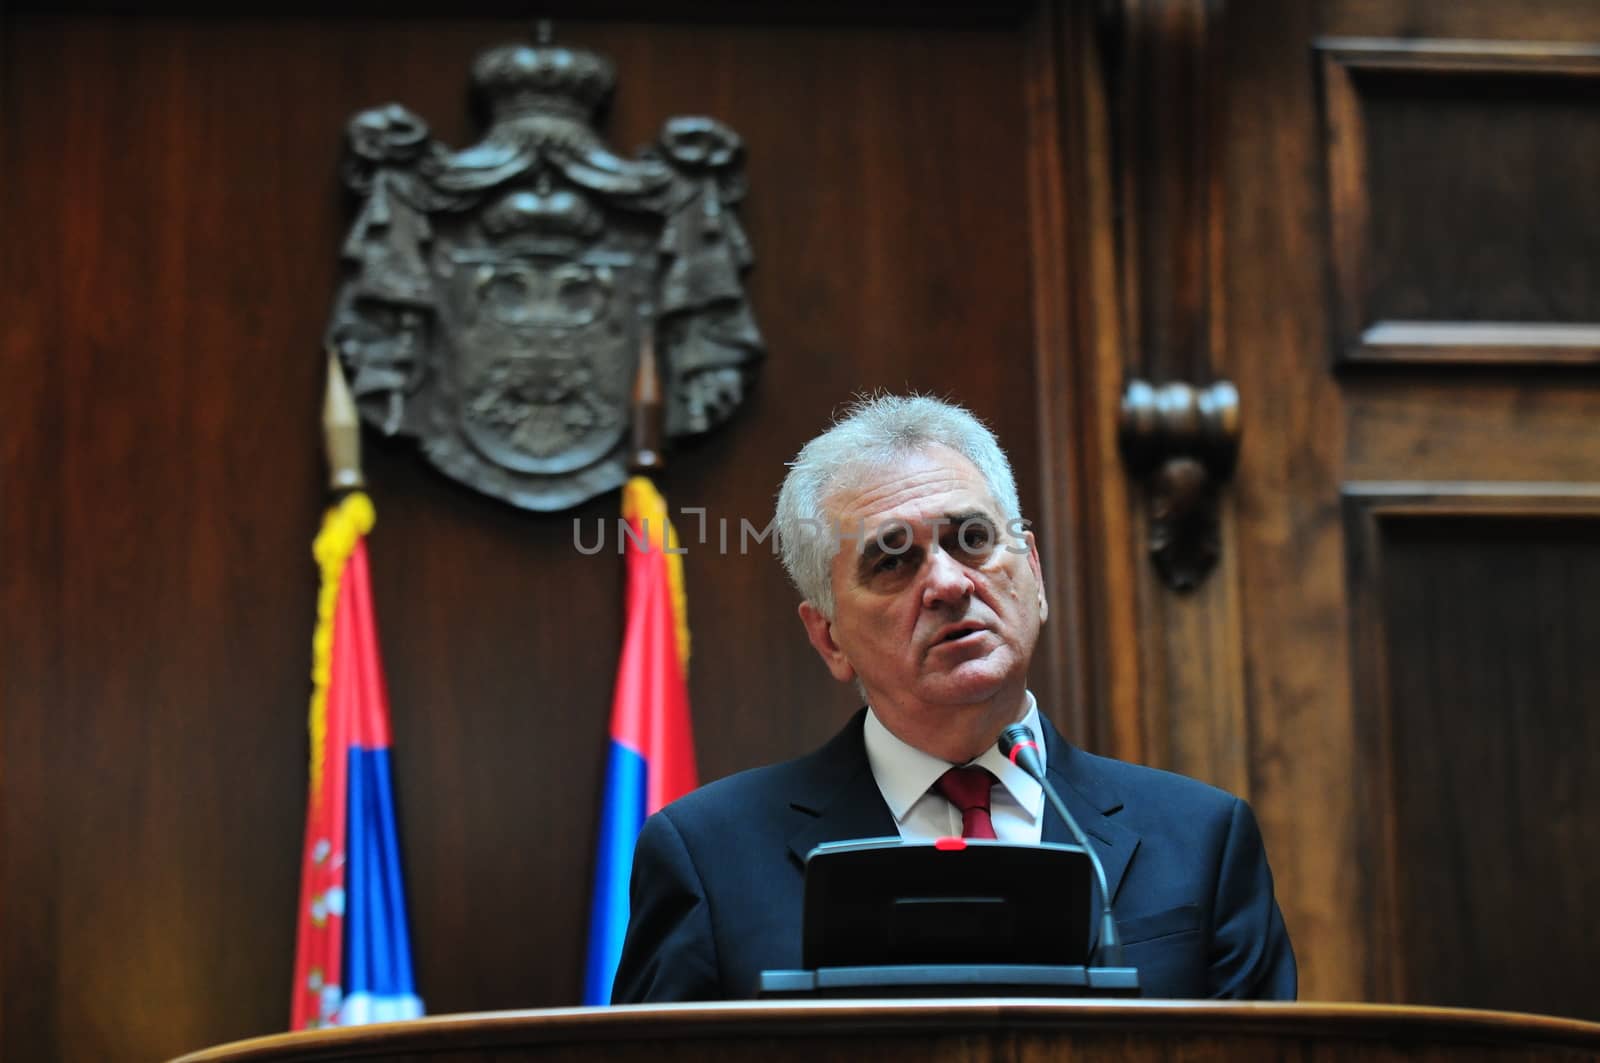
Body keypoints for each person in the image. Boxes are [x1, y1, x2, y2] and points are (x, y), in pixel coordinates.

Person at [611, 395, 1295, 1002]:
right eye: (892, 559)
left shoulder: (1204, 839)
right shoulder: (708, 856)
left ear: (1033, 571)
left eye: (972, 540)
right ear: (829, 638)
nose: (948, 583)